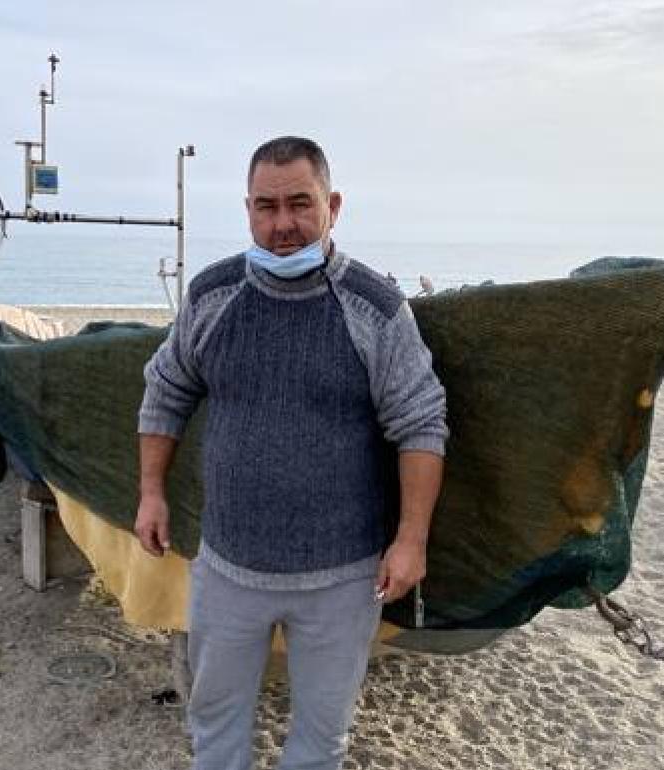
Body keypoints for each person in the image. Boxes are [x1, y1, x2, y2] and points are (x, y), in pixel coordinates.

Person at [135, 136, 447, 770]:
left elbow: (421, 423)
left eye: (300, 204)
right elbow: (166, 390)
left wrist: (411, 540)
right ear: (247, 209)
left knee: (321, 739)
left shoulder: (375, 310)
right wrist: (150, 492)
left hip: (341, 578)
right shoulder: (212, 296)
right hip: (227, 570)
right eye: (266, 206)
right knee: (215, 723)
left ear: (333, 205)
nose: (282, 225)